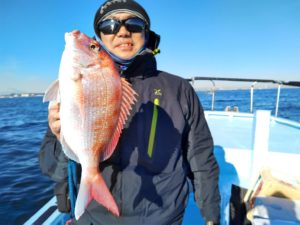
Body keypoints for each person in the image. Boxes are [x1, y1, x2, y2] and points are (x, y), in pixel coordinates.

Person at [39, 0, 221, 224]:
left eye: (134, 24)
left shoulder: (179, 89)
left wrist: (212, 216)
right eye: (109, 26)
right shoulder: (68, 90)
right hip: (94, 218)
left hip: (163, 218)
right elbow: (50, 169)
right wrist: (60, 139)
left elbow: (201, 158)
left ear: (146, 33)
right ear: (99, 38)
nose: (123, 32)